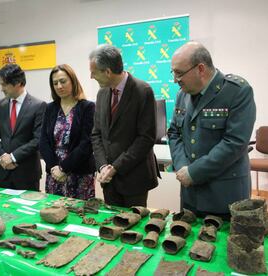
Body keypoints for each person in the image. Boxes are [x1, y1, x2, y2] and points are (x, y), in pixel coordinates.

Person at [168, 41, 256, 219]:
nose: (175, 80)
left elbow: (235, 143)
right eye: (173, 72)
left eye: (179, 73)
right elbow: (174, 133)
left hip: (223, 196)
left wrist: (194, 172)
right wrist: (182, 166)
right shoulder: (182, 94)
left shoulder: (237, 91)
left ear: (200, 69)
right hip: (190, 194)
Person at [89, 44, 159, 208]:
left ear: (107, 71)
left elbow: (146, 138)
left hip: (134, 178)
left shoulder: (143, 91)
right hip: (108, 180)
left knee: (134, 230)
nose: (91, 77)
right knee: (111, 228)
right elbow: (96, 134)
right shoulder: (102, 93)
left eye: (94, 72)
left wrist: (116, 167)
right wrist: (103, 166)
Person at [40, 64, 96, 200]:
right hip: (54, 174)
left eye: (63, 81)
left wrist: (63, 168)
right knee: (54, 214)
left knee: (79, 217)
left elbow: (86, 143)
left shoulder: (87, 107)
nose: (59, 86)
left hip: (79, 173)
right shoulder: (50, 108)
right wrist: (54, 168)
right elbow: (43, 141)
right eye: (55, 83)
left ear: (73, 81)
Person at [0, 64, 46, 191]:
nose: (2, 89)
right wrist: (2, 155)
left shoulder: (39, 106)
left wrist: (13, 157)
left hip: (27, 171)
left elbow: (38, 139)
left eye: (5, 85)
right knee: (3, 209)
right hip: (4, 171)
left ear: (18, 83)